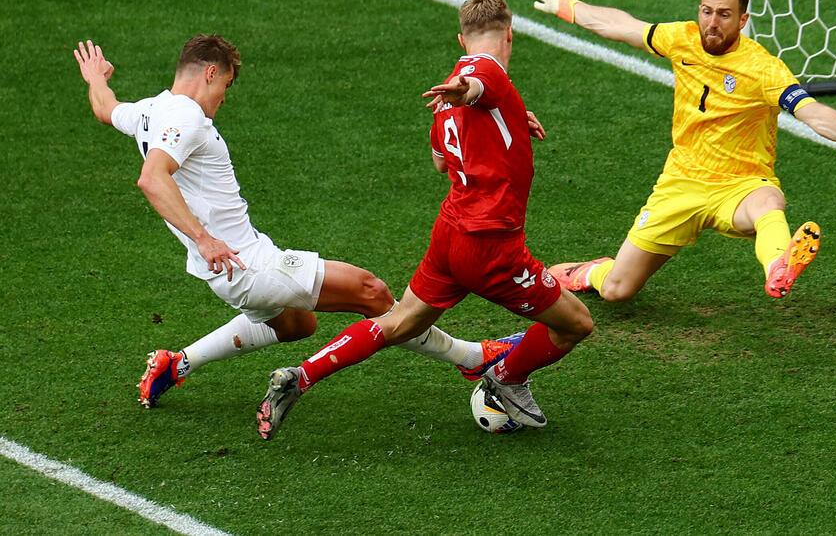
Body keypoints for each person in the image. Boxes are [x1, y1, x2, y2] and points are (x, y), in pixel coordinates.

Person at [73, 36, 520, 410]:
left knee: (297, 326)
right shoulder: (186, 115)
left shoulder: (150, 110)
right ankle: (474, 357)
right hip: (245, 263)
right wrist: (204, 238)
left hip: (227, 269)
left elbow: (105, 109)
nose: (223, 98)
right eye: (225, 85)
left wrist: (96, 79)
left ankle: (177, 364)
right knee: (372, 292)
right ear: (209, 73)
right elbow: (152, 178)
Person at [255, 0, 594, 440]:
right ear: (510, 34)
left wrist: (509, 120)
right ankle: (505, 378)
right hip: (492, 245)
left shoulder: (448, 97)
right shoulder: (482, 73)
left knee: (398, 323)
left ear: (461, 37)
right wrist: (473, 93)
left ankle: (300, 376)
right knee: (576, 323)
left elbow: (441, 161)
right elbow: (479, 82)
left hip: (450, 235)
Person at [531, 0, 836, 301]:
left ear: (743, 20)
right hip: (681, 183)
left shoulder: (763, 69)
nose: (712, 23)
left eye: (724, 15)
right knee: (617, 290)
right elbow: (621, 26)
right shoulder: (682, 39)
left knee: (769, 202)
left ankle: (779, 267)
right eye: (706, 11)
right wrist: (566, 6)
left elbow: (815, 115)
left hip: (741, 185)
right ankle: (590, 272)